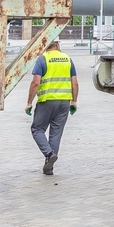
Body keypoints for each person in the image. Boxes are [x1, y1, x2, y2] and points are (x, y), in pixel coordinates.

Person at [25, 38, 79, 175]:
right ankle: (49, 167)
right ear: (58, 44)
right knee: (55, 134)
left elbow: (35, 83)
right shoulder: (67, 59)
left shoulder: (43, 59)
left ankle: (49, 154)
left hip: (47, 102)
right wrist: (74, 101)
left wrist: (29, 103)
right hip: (64, 103)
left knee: (37, 129)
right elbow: (75, 82)